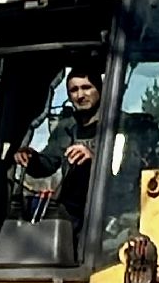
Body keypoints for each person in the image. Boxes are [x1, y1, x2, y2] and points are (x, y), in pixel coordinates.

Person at [14, 68, 101, 231]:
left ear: (100, 89)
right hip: (72, 215)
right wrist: (31, 158)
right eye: (74, 90)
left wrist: (94, 159)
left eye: (86, 87)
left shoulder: (120, 127)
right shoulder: (66, 127)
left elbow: (127, 172)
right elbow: (49, 162)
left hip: (108, 213)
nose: (80, 95)